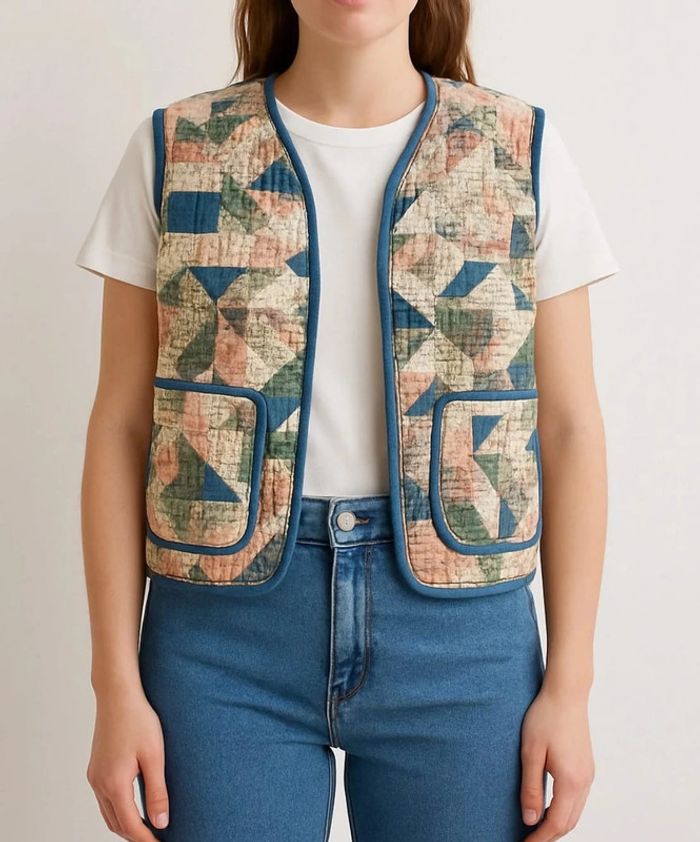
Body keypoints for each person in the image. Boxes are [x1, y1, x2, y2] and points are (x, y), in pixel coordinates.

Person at [76, 1, 619, 840]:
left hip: (463, 647)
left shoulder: (521, 149)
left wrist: (570, 689)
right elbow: (122, 427)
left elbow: (572, 428)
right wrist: (115, 687)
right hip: (220, 646)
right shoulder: (175, 150)